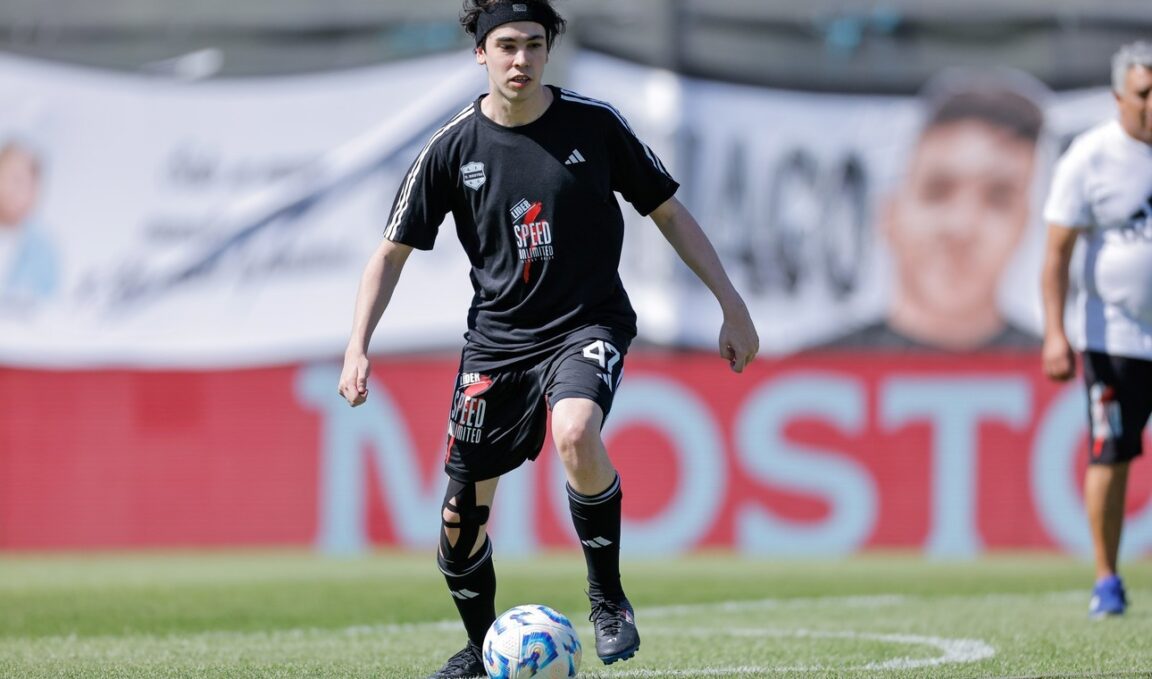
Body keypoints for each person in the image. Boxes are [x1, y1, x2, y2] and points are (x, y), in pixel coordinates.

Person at [336, 1, 759, 677]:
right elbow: (388, 255)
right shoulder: (451, 148)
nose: (521, 60)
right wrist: (358, 346)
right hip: (497, 346)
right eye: (506, 46)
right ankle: (480, 648)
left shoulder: (594, 124)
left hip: (587, 322)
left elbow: (669, 211)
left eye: (534, 45)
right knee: (456, 530)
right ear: (480, 53)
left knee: (574, 432)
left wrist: (731, 304)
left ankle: (607, 597)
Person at [1041, 40, 1152, 619]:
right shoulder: (1090, 158)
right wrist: (1055, 333)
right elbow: (1056, 252)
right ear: (1118, 97)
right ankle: (1107, 577)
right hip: (1117, 337)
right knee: (1111, 453)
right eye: (1144, 93)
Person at [822, 69, 1046, 351]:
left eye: (997, 199)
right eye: (938, 192)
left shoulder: (1068, 380)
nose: (962, 226)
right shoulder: (806, 371)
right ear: (888, 213)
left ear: (1024, 225)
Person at [0, 139, 58, 307]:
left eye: (29, 183)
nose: (17, 191)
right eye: (13, 179)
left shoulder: (45, 250)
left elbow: (49, 311)